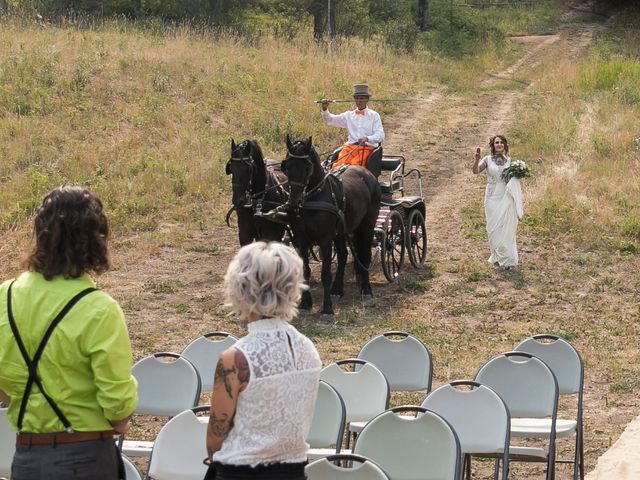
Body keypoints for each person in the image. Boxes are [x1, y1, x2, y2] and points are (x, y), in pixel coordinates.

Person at [0, 185, 138, 480]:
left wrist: (29, 404)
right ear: (95, 240)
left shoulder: (4, 297)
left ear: (40, 234)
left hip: (27, 456)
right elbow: (118, 408)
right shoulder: (99, 309)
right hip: (85, 456)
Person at [205, 241, 322, 480]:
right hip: (293, 471)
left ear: (239, 288)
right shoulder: (308, 349)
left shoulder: (235, 359)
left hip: (240, 472)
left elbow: (216, 437)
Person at [472, 135, 523, 269]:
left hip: (505, 196)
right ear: (493, 145)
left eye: (501, 142)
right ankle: (496, 255)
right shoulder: (487, 160)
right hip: (491, 197)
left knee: (505, 226)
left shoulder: (510, 162)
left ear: (505, 145)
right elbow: (476, 171)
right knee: (493, 227)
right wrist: (476, 160)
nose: (499, 144)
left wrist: (519, 173)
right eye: (496, 143)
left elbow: (512, 180)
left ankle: (507, 258)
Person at [320, 83, 385, 169]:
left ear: (367, 99)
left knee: (354, 166)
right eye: (357, 98)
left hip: (367, 148)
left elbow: (380, 135)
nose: (359, 101)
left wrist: (367, 138)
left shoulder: (374, 115)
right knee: (338, 165)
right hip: (349, 147)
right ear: (354, 100)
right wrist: (325, 109)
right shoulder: (348, 115)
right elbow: (330, 120)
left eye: (362, 98)